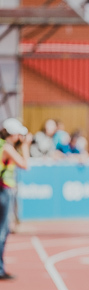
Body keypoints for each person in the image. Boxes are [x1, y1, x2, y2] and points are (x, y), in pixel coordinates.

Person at [0, 118, 32, 280]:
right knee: (2, 231)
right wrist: (26, 146)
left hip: (3, 189)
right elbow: (25, 165)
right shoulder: (7, 147)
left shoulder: (2, 145)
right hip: (3, 190)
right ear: (12, 134)